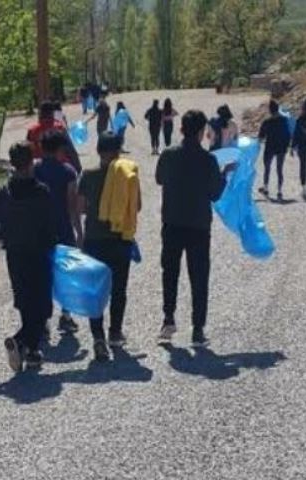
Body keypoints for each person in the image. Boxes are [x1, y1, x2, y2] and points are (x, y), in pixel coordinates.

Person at [156, 111, 234, 346]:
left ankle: (168, 320)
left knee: (170, 273)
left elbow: (159, 179)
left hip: (172, 222)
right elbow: (215, 193)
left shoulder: (168, 155)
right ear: (202, 133)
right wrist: (224, 174)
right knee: (199, 277)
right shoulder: (208, 161)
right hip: (199, 225)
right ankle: (197, 329)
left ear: (181, 130)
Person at [0, 142, 57, 372]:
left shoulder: (3, 194)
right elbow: (51, 224)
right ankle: (22, 342)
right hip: (39, 252)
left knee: (25, 301)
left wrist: (4, 234)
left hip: (15, 253)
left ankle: (32, 350)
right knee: (42, 303)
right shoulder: (41, 191)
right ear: (31, 162)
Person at [76, 132, 141, 361]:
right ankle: (115, 332)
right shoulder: (127, 172)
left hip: (94, 240)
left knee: (95, 290)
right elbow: (137, 205)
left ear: (98, 151)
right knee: (119, 289)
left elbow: (81, 207)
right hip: (119, 239)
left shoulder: (88, 174)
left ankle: (98, 338)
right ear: (118, 151)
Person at [34, 130, 81, 333]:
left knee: (42, 275)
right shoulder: (68, 171)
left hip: (40, 230)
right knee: (65, 274)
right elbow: (73, 204)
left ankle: (43, 319)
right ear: (61, 149)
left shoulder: (34, 170)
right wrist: (78, 229)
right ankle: (66, 315)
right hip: (62, 228)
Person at [27, 101, 82, 172]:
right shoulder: (60, 128)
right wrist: (77, 166)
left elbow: (28, 152)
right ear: (52, 113)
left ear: (40, 114)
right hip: (61, 166)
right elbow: (70, 149)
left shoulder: (32, 131)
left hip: (41, 169)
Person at [258, 99, 292, 201]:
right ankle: (279, 191)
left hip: (270, 147)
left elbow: (261, 137)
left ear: (270, 110)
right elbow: (288, 134)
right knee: (279, 169)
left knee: (267, 168)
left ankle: (266, 187)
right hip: (281, 147)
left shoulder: (267, 122)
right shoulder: (284, 120)